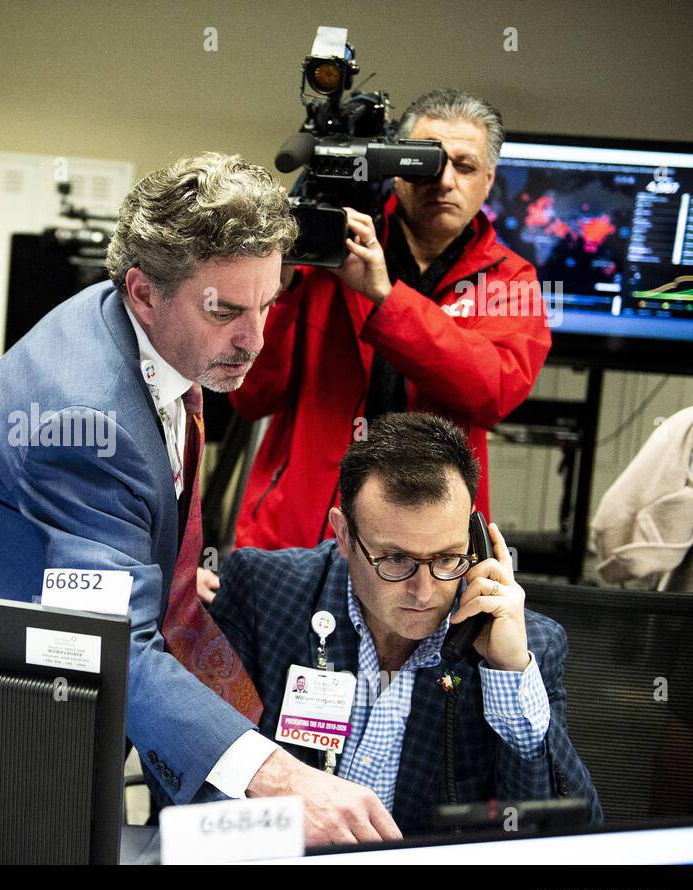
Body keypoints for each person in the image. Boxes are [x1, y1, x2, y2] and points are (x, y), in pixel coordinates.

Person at [0, 152, 402, 845]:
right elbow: (106, 645)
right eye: (224, 309)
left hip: (32, 666)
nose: (253, 339)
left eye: (268, 305)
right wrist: (282, 779)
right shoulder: (85, 418)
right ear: (144, 291)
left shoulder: (148, 334)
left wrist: (155, 572)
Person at [209, 413, 602, 838]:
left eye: (447, 558)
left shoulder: (523, 646)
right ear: (343, 535)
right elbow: (193, 771)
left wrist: (508, 674)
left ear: (475, 539)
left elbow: (567, 834)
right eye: (396, 559)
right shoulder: (264, 594)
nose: (424, 590)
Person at [229, 88, 551, 554]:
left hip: (429, 548)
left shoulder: (510, 279)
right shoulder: (333, 249)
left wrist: (384, 297)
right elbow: (253, 396)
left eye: (464, 166)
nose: (444, 182)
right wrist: (275, 289)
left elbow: (493, 390)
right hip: (295, 536)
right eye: (427, 162)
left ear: (488, 178)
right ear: (395, 170)